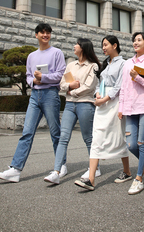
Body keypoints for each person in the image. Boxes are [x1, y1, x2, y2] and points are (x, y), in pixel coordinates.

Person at [0, 23, 66, 182]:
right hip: (35, 95)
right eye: (42, 32)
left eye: (48, 32)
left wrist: (44, 78)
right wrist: (34, 81)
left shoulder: (57, 53)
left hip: (50, 94)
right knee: (27, 132)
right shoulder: (31, 56)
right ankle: (16, 169)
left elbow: (61, 75)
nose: (45, 35)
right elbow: (28, 76)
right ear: (36, 35)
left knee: (55, 132)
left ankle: (61, 165)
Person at [75, 35, 131, 191]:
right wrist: (97, 95)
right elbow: (101, 83)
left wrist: (105, 98)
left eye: (106, 45)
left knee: (118, 137)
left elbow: (119, 86)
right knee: (97, 136)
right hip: (102, 104)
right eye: (102, 45)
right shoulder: (106, 63)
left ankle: (127, 171)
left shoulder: (123, 64)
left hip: (114, 103)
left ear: (115, 45)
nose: (103, 48)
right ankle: (91, 179)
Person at [44, 38, 100, 185]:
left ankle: (96, 168)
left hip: (85, 104)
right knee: (63, 137)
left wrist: (71, 90)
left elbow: (89, 87)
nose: (74, 46)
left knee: (88, 138)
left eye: (77, 44)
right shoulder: (71, 65)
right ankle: (56, 172)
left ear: (83, 48)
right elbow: (63, 84)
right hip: (69, 105)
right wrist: (70, 87)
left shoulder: (93, 66)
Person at [118, 32, 144, 195]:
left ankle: (138, 179)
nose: (135, 43)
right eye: (134, 40)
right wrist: (121, 107)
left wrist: (139, 78)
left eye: (139, 40)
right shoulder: (127, 63)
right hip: (130, 108)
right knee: (131, 144)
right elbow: (123, 87)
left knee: (143, 143)